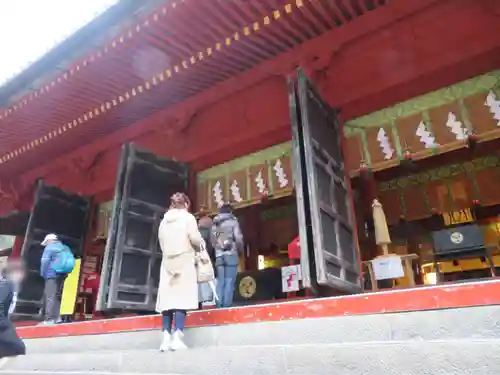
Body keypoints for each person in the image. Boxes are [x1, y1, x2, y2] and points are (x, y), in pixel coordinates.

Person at [156, 193, 203, 352]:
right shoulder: (188, 218)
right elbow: (195, 239)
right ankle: (178, 336)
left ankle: (165, 339)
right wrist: (200, 245)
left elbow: (161, 242)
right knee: (181, 299)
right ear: (186, 204)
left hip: (167, 262)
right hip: (183, 260)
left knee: (167, 302)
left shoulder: (163, 222)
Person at [211, 203, 244, 308]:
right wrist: (240, 250)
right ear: (230, 211)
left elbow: (213, 242)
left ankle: (218, 304)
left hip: (219, 256)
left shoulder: (215, 223)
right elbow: (238, 238)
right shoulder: (233, 222)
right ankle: (227, 304)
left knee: (221, 280)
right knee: (229, 280)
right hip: (231, 254)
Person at [39, 233, 72, 325]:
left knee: (50, 296)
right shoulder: (65, 248)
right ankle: (57, 318)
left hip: (51, 274)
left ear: (49, 241)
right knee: (56, 295)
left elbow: (45, 262)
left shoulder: (49, 248)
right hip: (62, 275)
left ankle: (49, 319)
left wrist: (43, 273)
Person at [0, 260, 26, 359]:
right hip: (2, 324)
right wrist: (5, 323)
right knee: (17, 348)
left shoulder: (9, 285)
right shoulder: (6, 284)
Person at [198, 215, 216, 308]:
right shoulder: (213, 231)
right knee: (208, 282)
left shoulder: (195, 232)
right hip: (207, 261)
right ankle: (209, 302)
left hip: (196, 262)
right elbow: (213, 247)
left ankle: (198, 303)